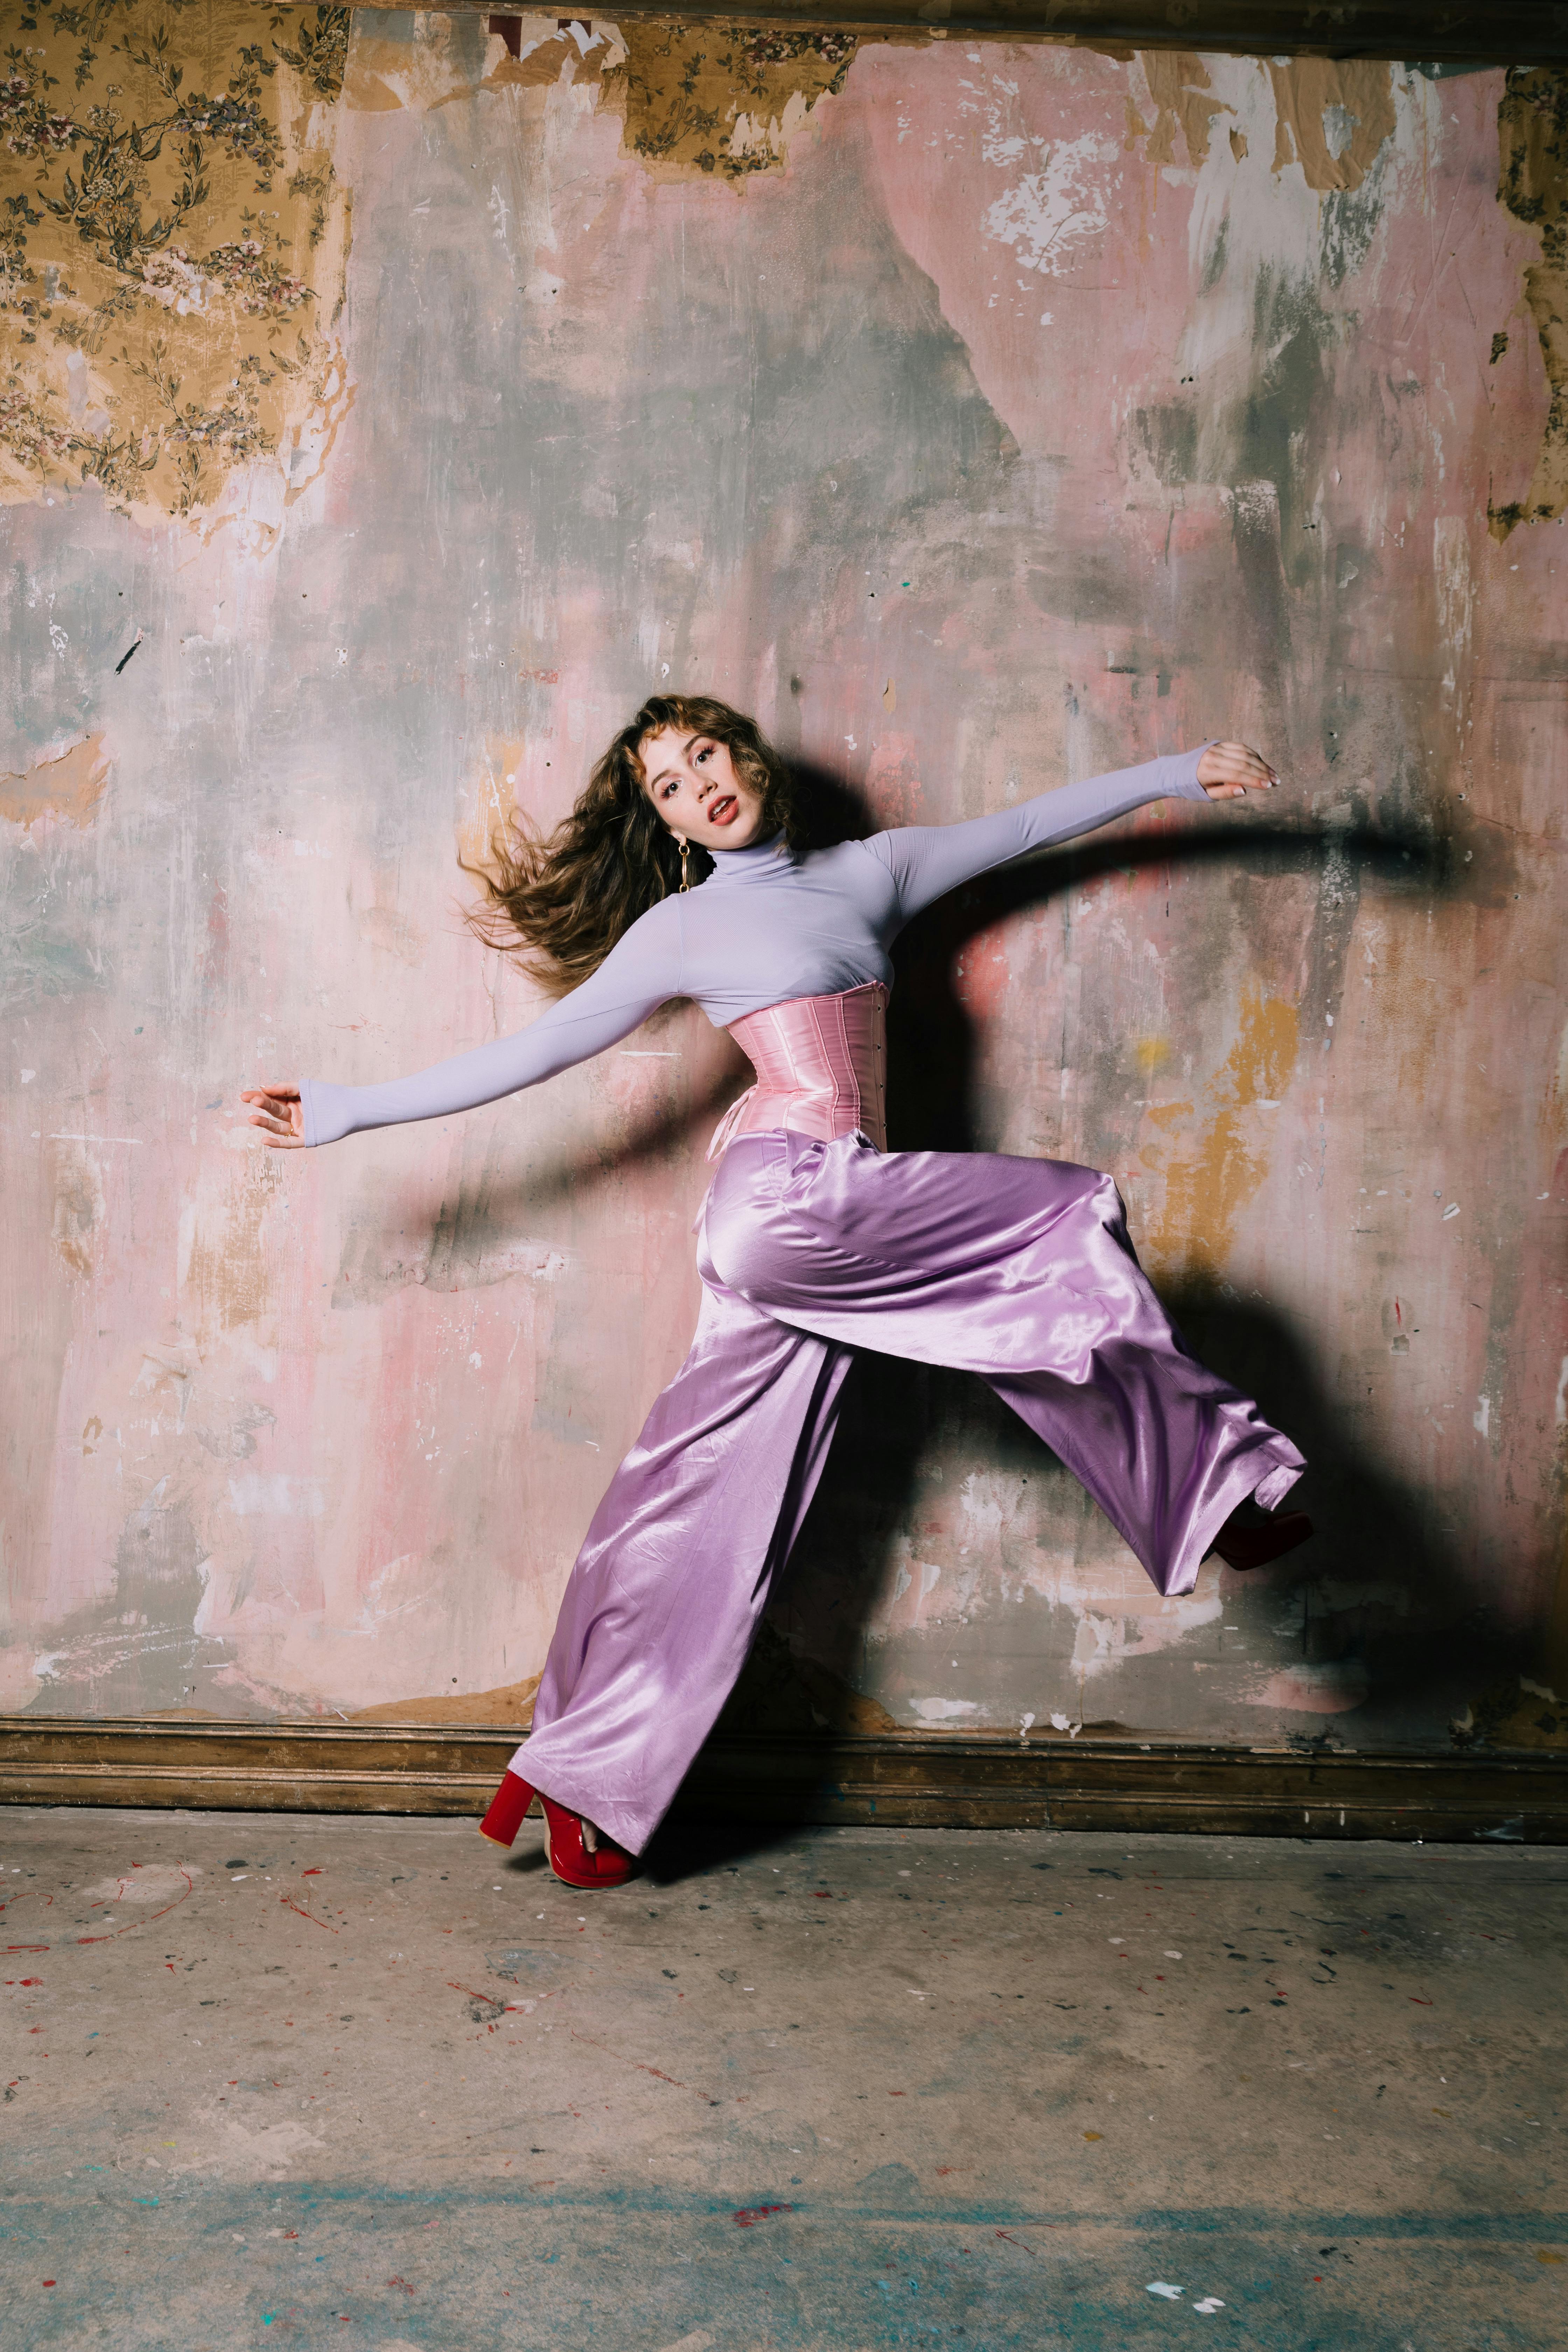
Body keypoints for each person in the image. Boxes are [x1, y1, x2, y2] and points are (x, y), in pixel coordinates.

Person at [245, 696, 1309, 1890]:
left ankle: (582, 1777)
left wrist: (1181, 770)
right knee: (1060, 1217)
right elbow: (531, 1054)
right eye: (668, 785)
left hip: (816, 1229)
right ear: (670, 826)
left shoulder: (876, 872)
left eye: (704, 755)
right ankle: (1212, 1491)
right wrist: (346, 1110)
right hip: (793, 1199)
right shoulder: (682, 928)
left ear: (744, 758)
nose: (697, 784)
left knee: (702, 1494)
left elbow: (1026, 829)